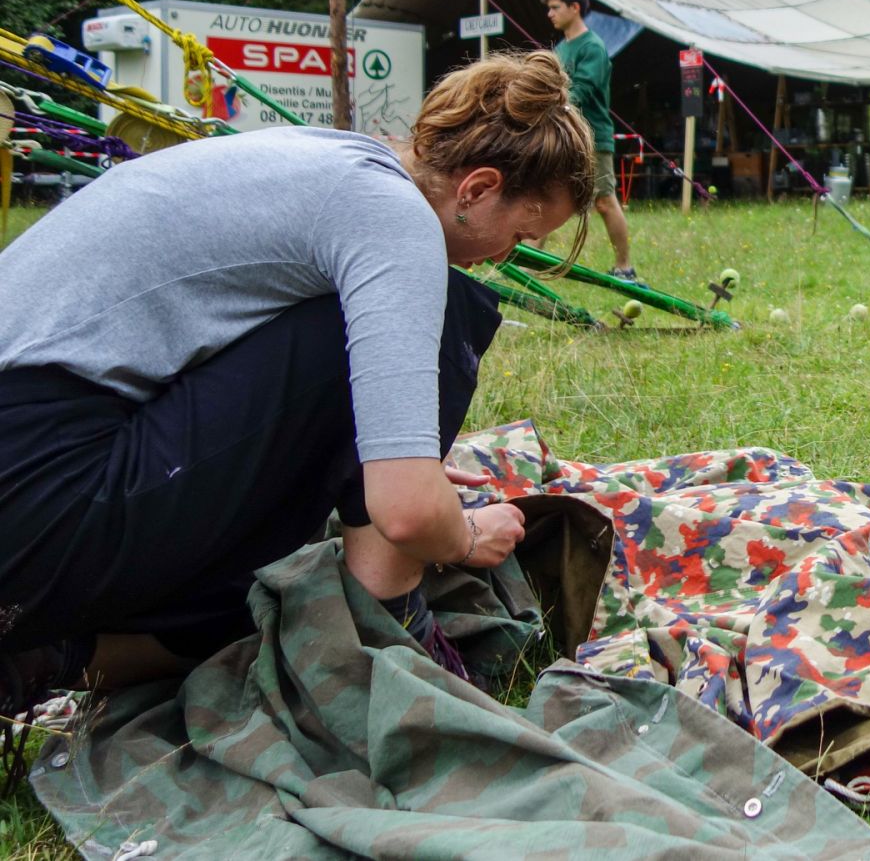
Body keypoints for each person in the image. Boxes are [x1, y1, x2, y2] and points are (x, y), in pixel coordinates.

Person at [0, 51, 594, 758]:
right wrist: (463, 534)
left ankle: (43, 661)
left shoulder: (329, 158)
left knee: (288, 561)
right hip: (39, 488)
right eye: (520, 236)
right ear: (479, 186)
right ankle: (383, 645)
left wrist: (379, 451)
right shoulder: (394, 218)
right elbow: (406, 511)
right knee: (444, 316)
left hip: (39, 473)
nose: (504, 256)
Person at [540, 0, 644, 284]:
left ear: (575, 8)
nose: (550, 14)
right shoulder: (561, 49)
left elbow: (581, 91)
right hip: (563, 136)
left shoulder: (592, 47)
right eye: (549, 8)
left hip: (593, 137)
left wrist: (549, 105)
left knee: (604, 202)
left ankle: (624, 267)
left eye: (555, 7)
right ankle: (527, 266)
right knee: (547, 196)